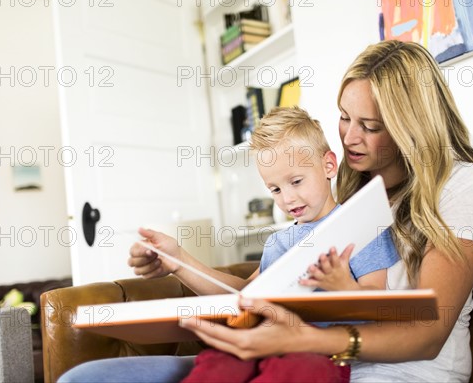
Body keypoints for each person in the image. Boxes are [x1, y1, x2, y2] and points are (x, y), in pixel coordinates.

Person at [177, 40, 473, 382]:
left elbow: (427, 334)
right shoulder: (351, 196)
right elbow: (245, 295)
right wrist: (178, 262)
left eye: (369, 126)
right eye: (345, 117)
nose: (349, 137)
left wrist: (305, 338)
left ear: (410, 127)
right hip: (323, 361)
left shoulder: (459, 186)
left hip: (403, 374)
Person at [58, 106, 400, 383]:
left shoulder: (360, 226)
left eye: (296, 181)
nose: (288, 198)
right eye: (276, 190)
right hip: (262, 342)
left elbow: (379, 310)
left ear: (328, 165)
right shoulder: (280, 243)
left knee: (300, 370)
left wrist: (340, 286)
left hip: (321, 353)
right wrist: (179, 261)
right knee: (219, 360)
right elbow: (239, 295)